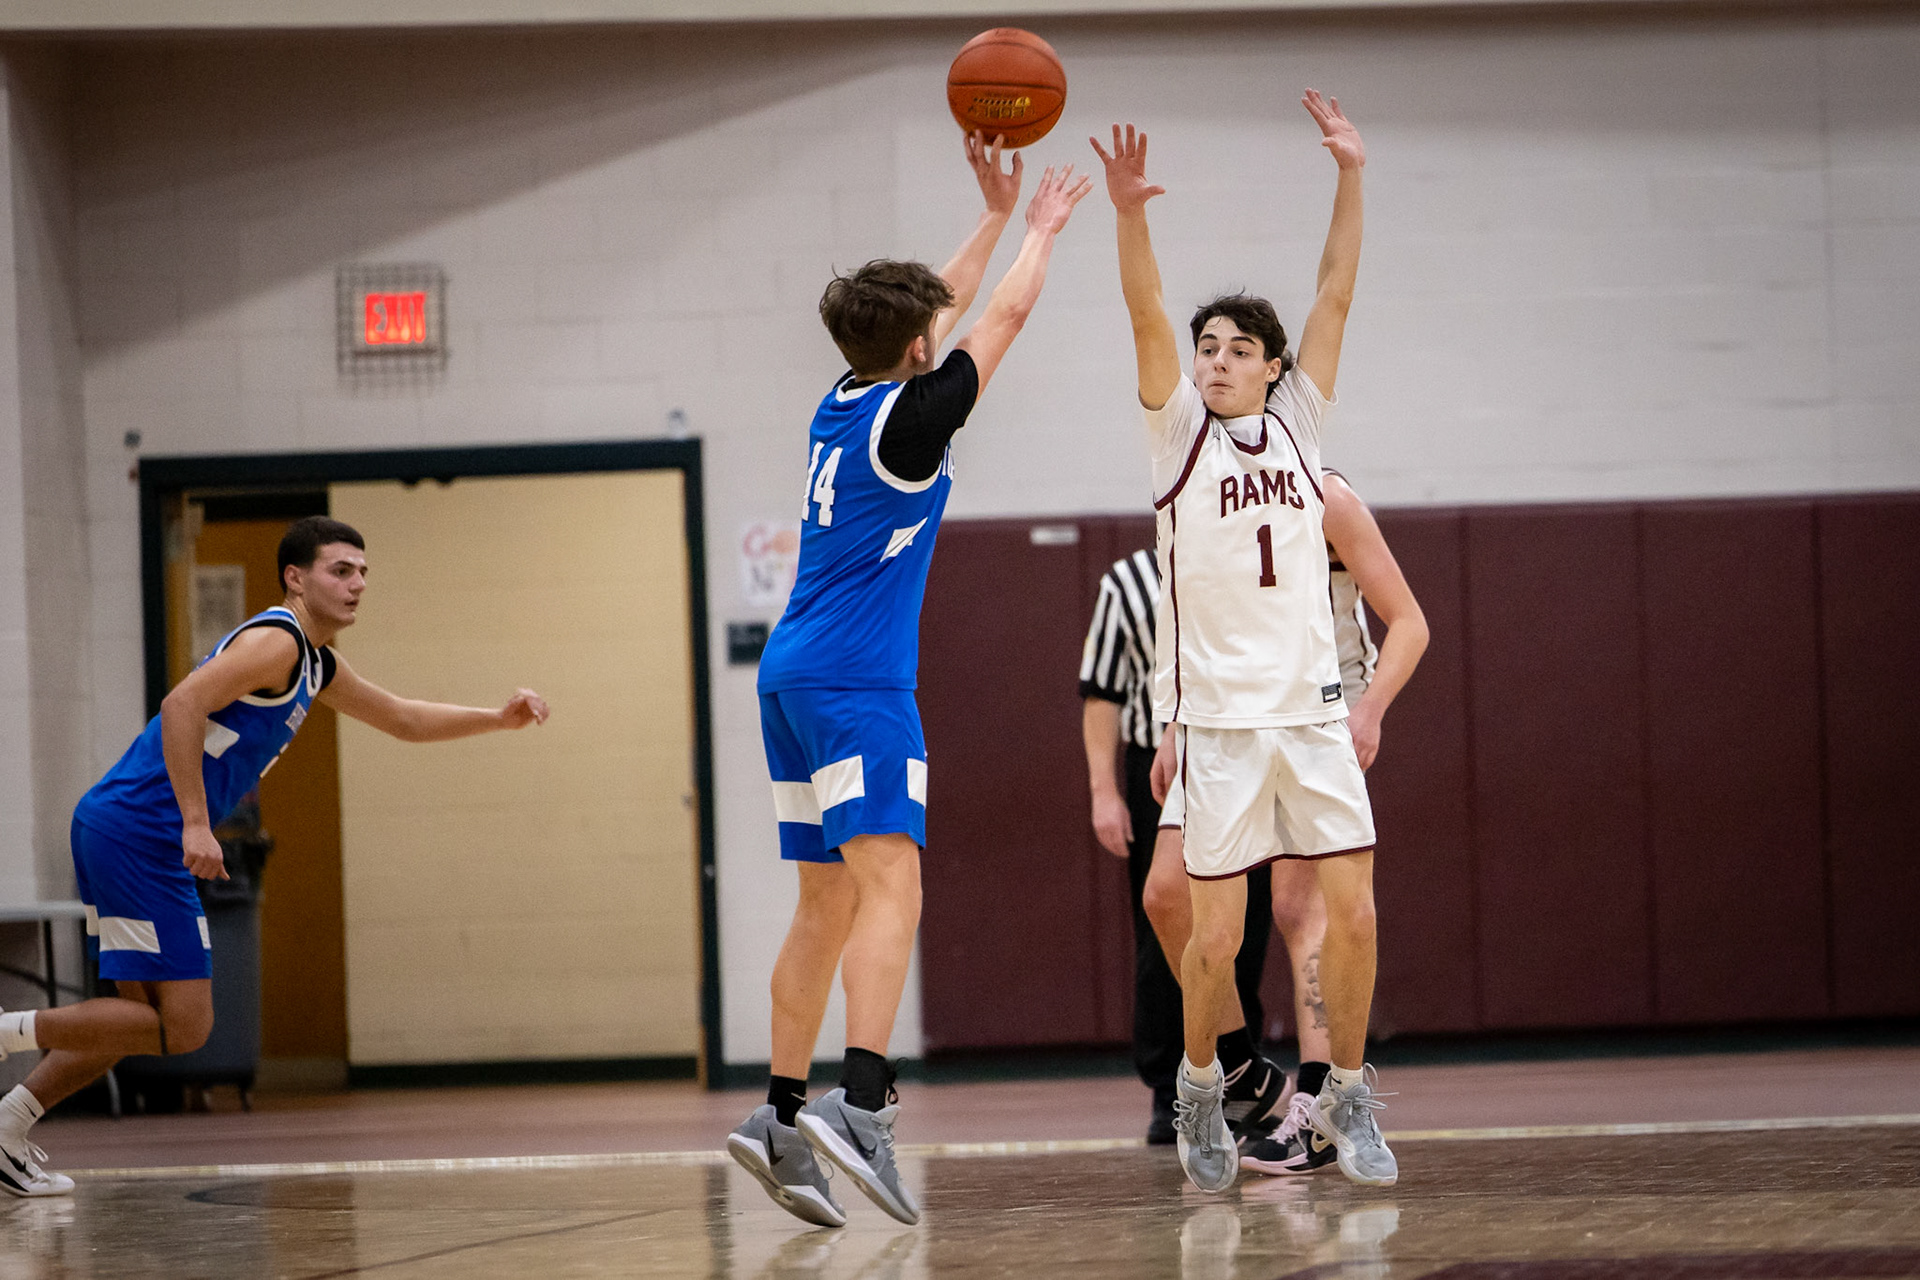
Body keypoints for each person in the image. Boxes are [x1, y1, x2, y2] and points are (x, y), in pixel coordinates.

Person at [727, 134, 1091, 1229]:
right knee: (895, 886)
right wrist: (1040, 231)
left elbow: (940, 305)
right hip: (858, 681)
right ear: (920, 346)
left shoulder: (842, 396)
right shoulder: (918, 420)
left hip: (790, 676)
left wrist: (990, 215)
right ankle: (864, 1100)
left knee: (825, 900)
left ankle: (779, 1117)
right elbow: (1001, 315)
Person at [0, 516, 550, 1197]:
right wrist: (195, 823)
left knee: (140, 1022)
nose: (357, 584)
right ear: (296, 577)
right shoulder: (277, 642)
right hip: (140, 833)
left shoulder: (316, 662)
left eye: (363, 572)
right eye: (340, 570)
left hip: (122, 828)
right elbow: (182, 704)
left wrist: (496, 718)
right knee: (184, 1027)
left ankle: (7, 1130)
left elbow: (403, 718)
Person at [1090, 89, 1396, 1192]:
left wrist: (1351, 173)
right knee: (1211, 939)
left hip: (1311, 715)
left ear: (1273, 367)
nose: (1215, 361)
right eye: (1206, 348)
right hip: (1219, 726)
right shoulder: (1178, 437)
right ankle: (1199, 1085)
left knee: (1354, 912)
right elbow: (1144, 313)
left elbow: (1336, 290)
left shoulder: (1303, 427)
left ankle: (1348, 1094)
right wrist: (1131, 216)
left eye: (1237, 350)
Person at [1143, 467, 1428, 1176]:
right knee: (1167, 894)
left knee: (1302, 909)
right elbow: (1195, 618)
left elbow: (1410, 622)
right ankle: (1240, 1068)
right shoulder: (1207, 489)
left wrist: (1369, 711)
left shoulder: (1326, 495)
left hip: (1316, 714)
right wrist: (1172, 721)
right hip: (1225, 714)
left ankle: (1320, 1104)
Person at [1080, 548, 1284, 1145]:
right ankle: (1170, 1083)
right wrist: (1103, 791)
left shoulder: (1250, 561)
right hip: (1160, 766)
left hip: (1245, 750)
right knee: (1165, 926)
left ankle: (1239, 1072)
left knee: (1243, 926)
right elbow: (1101, 694)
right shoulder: (1126, 582)